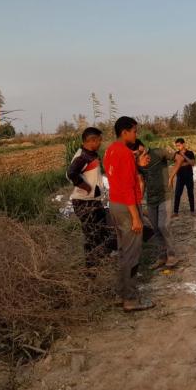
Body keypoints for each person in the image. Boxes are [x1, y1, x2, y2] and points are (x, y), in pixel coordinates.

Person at [104, 116, 154, 311]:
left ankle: (122, 293)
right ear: (124, 132)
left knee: (124, 252)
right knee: (132, 254)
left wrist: (137, 165)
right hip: (127, 207)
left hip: (115, 205)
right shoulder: (124, 153)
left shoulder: (110, 150)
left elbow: (119, 175)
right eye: (134, 131)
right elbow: (127, 188)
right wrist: (135, 217)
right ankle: (131, 299)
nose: (136, 134)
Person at [66, 126, 117, 266]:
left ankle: (101, 262)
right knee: (91, 236)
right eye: (99, 140)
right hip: (84, 202)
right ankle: (91, 269)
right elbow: (71, 173)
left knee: (102, 231)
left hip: (94, 201)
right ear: (91, 140)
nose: (101, 143)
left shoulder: (92, 154)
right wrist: (86, 187)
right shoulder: (82, 156)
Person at [142, 142, 181, 269]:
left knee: (163, 225)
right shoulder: (137, 162)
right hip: (151, 199)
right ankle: (162, 256)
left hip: (165, 195)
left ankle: (173, 255)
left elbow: (178, 158)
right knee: (156, 228)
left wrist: (171, 176)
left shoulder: (158, 152)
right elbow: (141, 180)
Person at [169, 137, 196, 215]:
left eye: (179, 145)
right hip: (180, 177)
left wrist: (184, 156)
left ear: (183, 144)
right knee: (177, 194)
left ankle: (192, 211)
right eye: (177, 146)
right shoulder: (176, 154)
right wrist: (185, 163)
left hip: (189, 176)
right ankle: (175, 212)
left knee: (190, 194)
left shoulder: (190, 153)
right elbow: (176, 164)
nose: (178, 147)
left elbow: (193, 163)